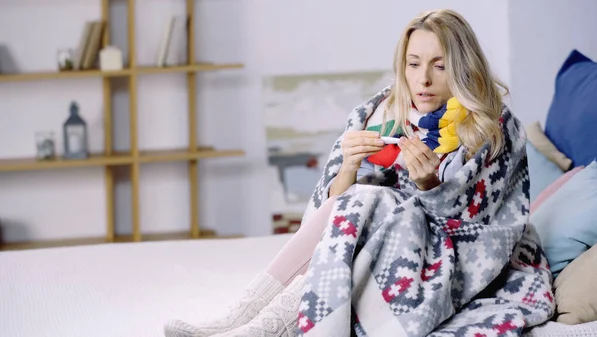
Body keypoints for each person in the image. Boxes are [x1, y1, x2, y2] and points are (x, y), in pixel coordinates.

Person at [165, 8, 539, 337]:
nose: (423, 78)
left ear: (462, 66)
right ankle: (242, 317)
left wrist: (430, 185)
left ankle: (263, 329)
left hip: (445, 259)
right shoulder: (377, 113)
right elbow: (325, 214)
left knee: (372, 198)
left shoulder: (494, 127)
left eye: (439, 65)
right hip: (377, 239)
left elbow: (484, 233)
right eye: (413, 63)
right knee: (362, 197)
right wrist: (348, 166)